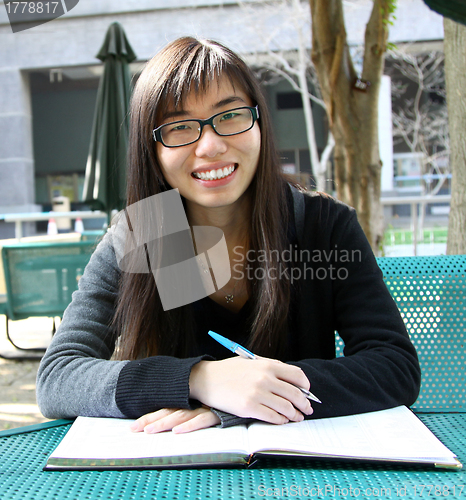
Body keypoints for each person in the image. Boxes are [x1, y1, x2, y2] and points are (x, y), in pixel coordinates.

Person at [36, 37, 421, 434]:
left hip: (306, 473)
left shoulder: (320, 226)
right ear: (150, 150)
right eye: (180, 127)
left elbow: (393, 365)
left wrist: (255, 400)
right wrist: (200, 380)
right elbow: (59, 376)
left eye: (231, 116)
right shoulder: (150, 234)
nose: (211, 146)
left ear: (259, 122)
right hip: (175, 473)